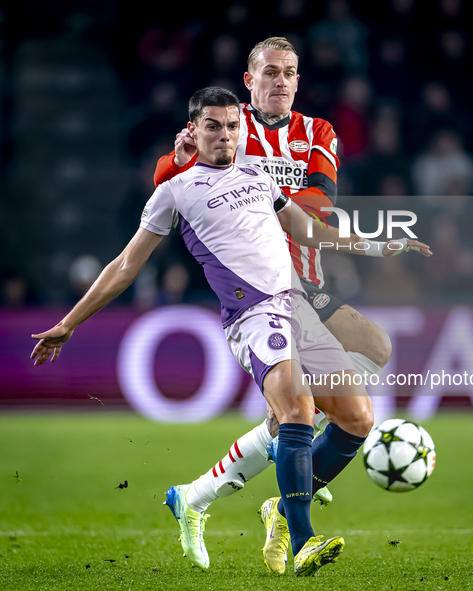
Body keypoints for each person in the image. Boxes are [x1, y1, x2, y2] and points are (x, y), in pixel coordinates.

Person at [30, 87, 432, 576]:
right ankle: (303, 538)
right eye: (213, 126)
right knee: (298, 410)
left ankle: (270, 507)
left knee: (357, 419)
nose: (225, 135)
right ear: (193, 130)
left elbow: (307, 231)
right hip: (254, 316)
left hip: (297, 306)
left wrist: (376, 246)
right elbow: (124, 265)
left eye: (232, 126)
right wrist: (69, 323)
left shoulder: (259, 174)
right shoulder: (174, 192)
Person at [151, 36, 401, 571]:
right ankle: (282, 505)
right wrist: (178, 161)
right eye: (270, 72)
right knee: (297, 416)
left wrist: (260, 191)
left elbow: (320, 205)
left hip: (306, 284)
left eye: (290, 73)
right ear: (250, 81)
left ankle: (233, 496)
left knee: (373, 351)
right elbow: (172, 182)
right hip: (262, 289)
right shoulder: (226, 126)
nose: (281, 82)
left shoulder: (319, 132)